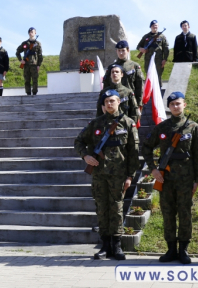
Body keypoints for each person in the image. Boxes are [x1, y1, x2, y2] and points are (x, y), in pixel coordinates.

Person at [74, 91, 140, 260]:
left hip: (118, 175)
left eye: (112, 101)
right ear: (103, 106)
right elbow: (79, 141)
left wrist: (130, 176)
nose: (110, 104)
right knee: (102, 209)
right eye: (106, 102)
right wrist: (86, 156)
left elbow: (133, 153)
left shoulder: (127, 123)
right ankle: (105, 245)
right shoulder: (95, 124)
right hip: (99, 175)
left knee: (117, 209)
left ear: (118, 102)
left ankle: (117, 246)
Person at [142, 92, 198, 264]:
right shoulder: (162, 127)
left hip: (185, 179)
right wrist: (153, 169)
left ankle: (183, 250)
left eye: (178, 103)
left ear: (184, 104)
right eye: (172, 104)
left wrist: (197, 179)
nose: (176, 107)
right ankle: (171, 249)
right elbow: (146, 147)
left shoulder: (192, 127)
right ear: (169, 107)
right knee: (168, 213)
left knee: (185, 214)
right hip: (165, 179)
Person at [103, 40, 144, 107]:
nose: (121, 53)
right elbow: (106, 85)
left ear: (128, 50)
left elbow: (139, 86)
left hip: (130, 101)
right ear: (116, 51)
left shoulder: (134, 66)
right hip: (114, 102)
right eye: (119, 50)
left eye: (123, 50)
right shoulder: (111, 67)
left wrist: (139, 103)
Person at [137, 20, 169, 87]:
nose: (155, 27)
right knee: (149, 76)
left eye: (156, 25)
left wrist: (165, 59)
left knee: (158, 76)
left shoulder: (162, 36)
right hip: (148, 60)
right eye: (153, 25)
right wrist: (141, 49)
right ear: (150, 26)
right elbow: (138, 46)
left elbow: (166, 48)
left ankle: (158, 93)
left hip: (158, 60)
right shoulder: (146, 36)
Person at [16, 27, 43, 95]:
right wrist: (21, 60)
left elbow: (40, 55)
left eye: (32, 32)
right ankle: (28, 93)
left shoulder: (38, 43)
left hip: (34, 64)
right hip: (26, 64)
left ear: (35, 33)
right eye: (30, 32)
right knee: (27, 80)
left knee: (35, 80)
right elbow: (17, 52)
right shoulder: (25, 43)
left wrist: (38, 65)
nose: (31, 33)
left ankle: (34, 93)